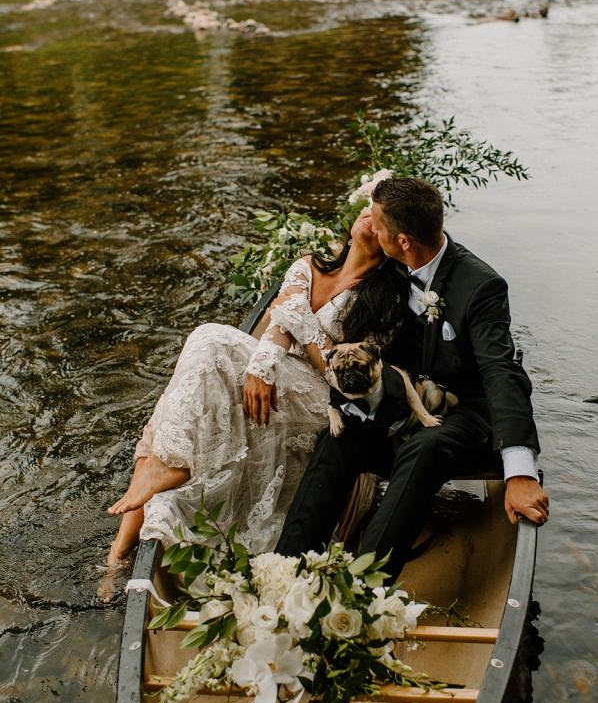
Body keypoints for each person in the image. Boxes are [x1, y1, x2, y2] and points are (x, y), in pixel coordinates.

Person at [103, 209, 408, 577]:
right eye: (366, 210)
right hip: (277, 376)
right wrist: (261, 369)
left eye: (379, 219)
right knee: (179, 396)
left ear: (393, 240)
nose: (368, 219)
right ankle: (119, 549)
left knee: (211, 338)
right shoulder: (309, 264)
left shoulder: (385, 300)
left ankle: (168, 468)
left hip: (324, 402)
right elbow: (279, 327)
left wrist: (300, 323)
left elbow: (346, 377)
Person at [276, 177, 549, 580]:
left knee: (426, 446)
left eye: (378, 226)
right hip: (396, 398)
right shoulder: (391, 262)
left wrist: (521, 472)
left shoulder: (482, 286)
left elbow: (500, 370)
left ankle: (365, 588)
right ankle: (286, 570)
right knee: (339, 436)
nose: (370, 228)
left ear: (403, 240)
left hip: (463, 409)